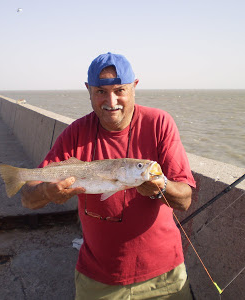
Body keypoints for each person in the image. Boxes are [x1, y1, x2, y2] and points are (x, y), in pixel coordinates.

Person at [21, 52, 196, 299]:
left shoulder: (159, 123)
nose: (111, 100)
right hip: (99, 277)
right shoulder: (75, 133)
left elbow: (185, 199)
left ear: (134, 87)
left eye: (120, 90)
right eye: (101, 91)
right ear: (88, 90)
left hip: (164, 276)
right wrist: (47, 192)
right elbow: (28, 198)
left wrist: (162, 187)